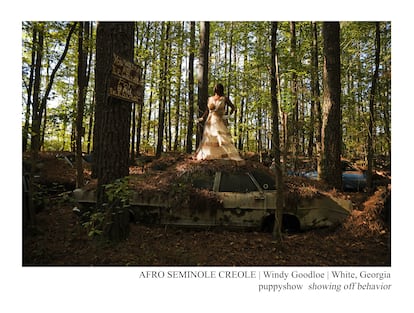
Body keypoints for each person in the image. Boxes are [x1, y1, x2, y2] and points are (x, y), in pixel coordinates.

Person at [194, 83, 243, 161]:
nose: (217, 89)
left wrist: (228, 116)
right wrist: (202, 118)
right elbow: (207, 110)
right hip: (210, 121)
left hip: (219, 121)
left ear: (221, 89)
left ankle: (223, 155)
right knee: (209, 138)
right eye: (216, 88)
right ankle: (209, 155)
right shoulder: (210, 99)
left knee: (221, 138)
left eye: (218, 88)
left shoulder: (224, 98)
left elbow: (233, 107)